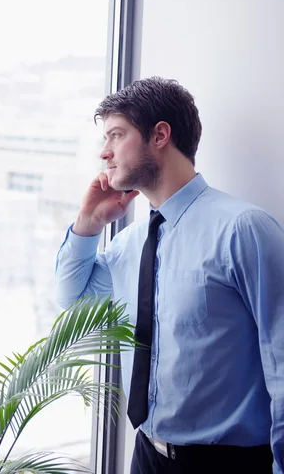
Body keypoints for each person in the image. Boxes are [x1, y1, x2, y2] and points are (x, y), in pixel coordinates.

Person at [55, 77, 284, 474]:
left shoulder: (243, 230)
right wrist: (87, 223)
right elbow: (72, 301)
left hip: (229, 465)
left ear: (160, 135)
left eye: (116, 135)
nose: (103, 152)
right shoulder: (130, 244)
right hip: (147, 455)